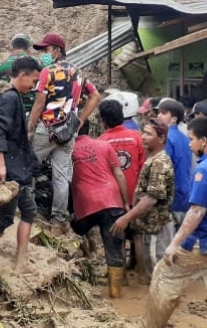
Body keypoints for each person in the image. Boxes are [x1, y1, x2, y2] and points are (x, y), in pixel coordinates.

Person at [145, 117, 207, 328]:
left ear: (204, 141)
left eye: (191, 139)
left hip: (205, 242)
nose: (189, 144)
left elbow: (197, 211)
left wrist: (175, 244)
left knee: (164, 276)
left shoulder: (204, 170)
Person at [27, 33, 100, 232]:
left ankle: (27, 212)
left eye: (46, 50)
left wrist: (29, 129)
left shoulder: (47, 72)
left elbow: (39, 104)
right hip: (68, 131)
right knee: (61, 176)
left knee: (28, 166)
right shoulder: (78, 72)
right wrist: (80, 119)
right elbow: (95, 96)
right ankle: (59, 220)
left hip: (47, 128)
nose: (43, 54)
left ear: (57, 51)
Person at [0, 57, 41, 273]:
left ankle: (21, 261)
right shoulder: (10, 99)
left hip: (17, 166)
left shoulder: (4, 96)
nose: (33, 86)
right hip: (11, 167)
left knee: (28, 210)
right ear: (22, 75)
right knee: (4, 218)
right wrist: (0, 164)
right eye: (32, 81)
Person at [111, 118, 175, 285]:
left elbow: (151, 198)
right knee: (154, 271)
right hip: (151, 226)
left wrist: (126, 218)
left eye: (148, 134)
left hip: (157, 227)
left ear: (161, 139)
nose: (143, 137)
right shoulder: (152, 159)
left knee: (159, 271)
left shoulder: (159, 162)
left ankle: (164, 307)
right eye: (143, 132)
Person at [70, 120, 130, 298]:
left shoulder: (68, 151)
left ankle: (79, 269)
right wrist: (125, 203)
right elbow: (119, 174)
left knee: (73, 233)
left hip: (85, 204)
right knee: (113, 247)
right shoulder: (104, 146)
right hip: (111, 201)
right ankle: (115, 293)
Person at [98, 98, 146, 208]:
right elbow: (144, 167)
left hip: (112, 201)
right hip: (136, 199)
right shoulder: (137, 137)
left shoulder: (100, 142)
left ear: (104, 120)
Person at [0, 33, 53, 116]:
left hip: (8, 112)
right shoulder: (39, 64)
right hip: (33, 115)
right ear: (28, 49)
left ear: (11, 47)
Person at [155, 98, 192, 230]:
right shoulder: (185, 137)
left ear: (174, 119)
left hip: (172, 196)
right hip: (185, 192)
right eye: (159, 112)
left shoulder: (168, 138)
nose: (159, 115)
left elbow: (163, 167)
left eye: (164, 113)